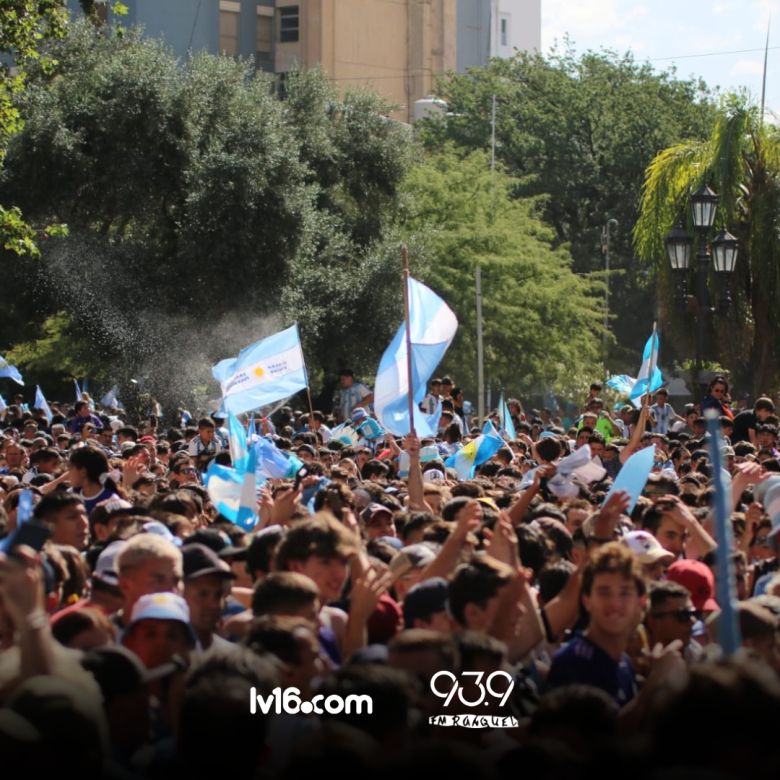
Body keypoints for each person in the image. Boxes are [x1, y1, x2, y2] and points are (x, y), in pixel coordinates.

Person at [546, 543, 646, 707]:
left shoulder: (625, 663)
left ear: (641, 601)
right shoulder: (574, 661)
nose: (615, 603)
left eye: (625, 592)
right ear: (586, 600)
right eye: (604, 592)